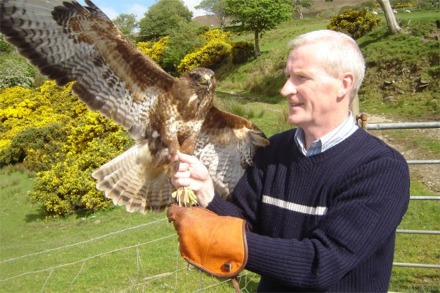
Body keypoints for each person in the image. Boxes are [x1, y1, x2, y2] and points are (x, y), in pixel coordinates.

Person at [167, 30, 410, 292]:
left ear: (344, 84)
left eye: (301, 78)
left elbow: (320, 264)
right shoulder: (274, 150)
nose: (285, 89)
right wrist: (206, 192)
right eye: (287, 76)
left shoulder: (380, 169)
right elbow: (245, 225)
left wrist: (226, 239)